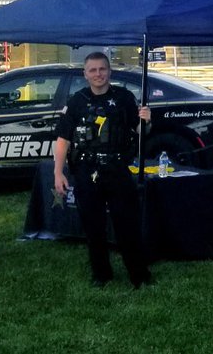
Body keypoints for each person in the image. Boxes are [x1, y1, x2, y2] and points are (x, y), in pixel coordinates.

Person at [52, 52, 153, 288]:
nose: (98, 74)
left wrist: (146, 120)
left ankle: (139, 275)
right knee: (93, 225)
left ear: (109, 71)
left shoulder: (124, 98)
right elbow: (63, 139)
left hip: (117, 168)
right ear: (85, 74)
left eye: (102, 69)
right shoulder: (77, 101)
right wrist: (58, 172)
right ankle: (101, 274)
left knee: (126, 224)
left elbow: (141, 133)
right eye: (93, 70)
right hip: (86, 169)